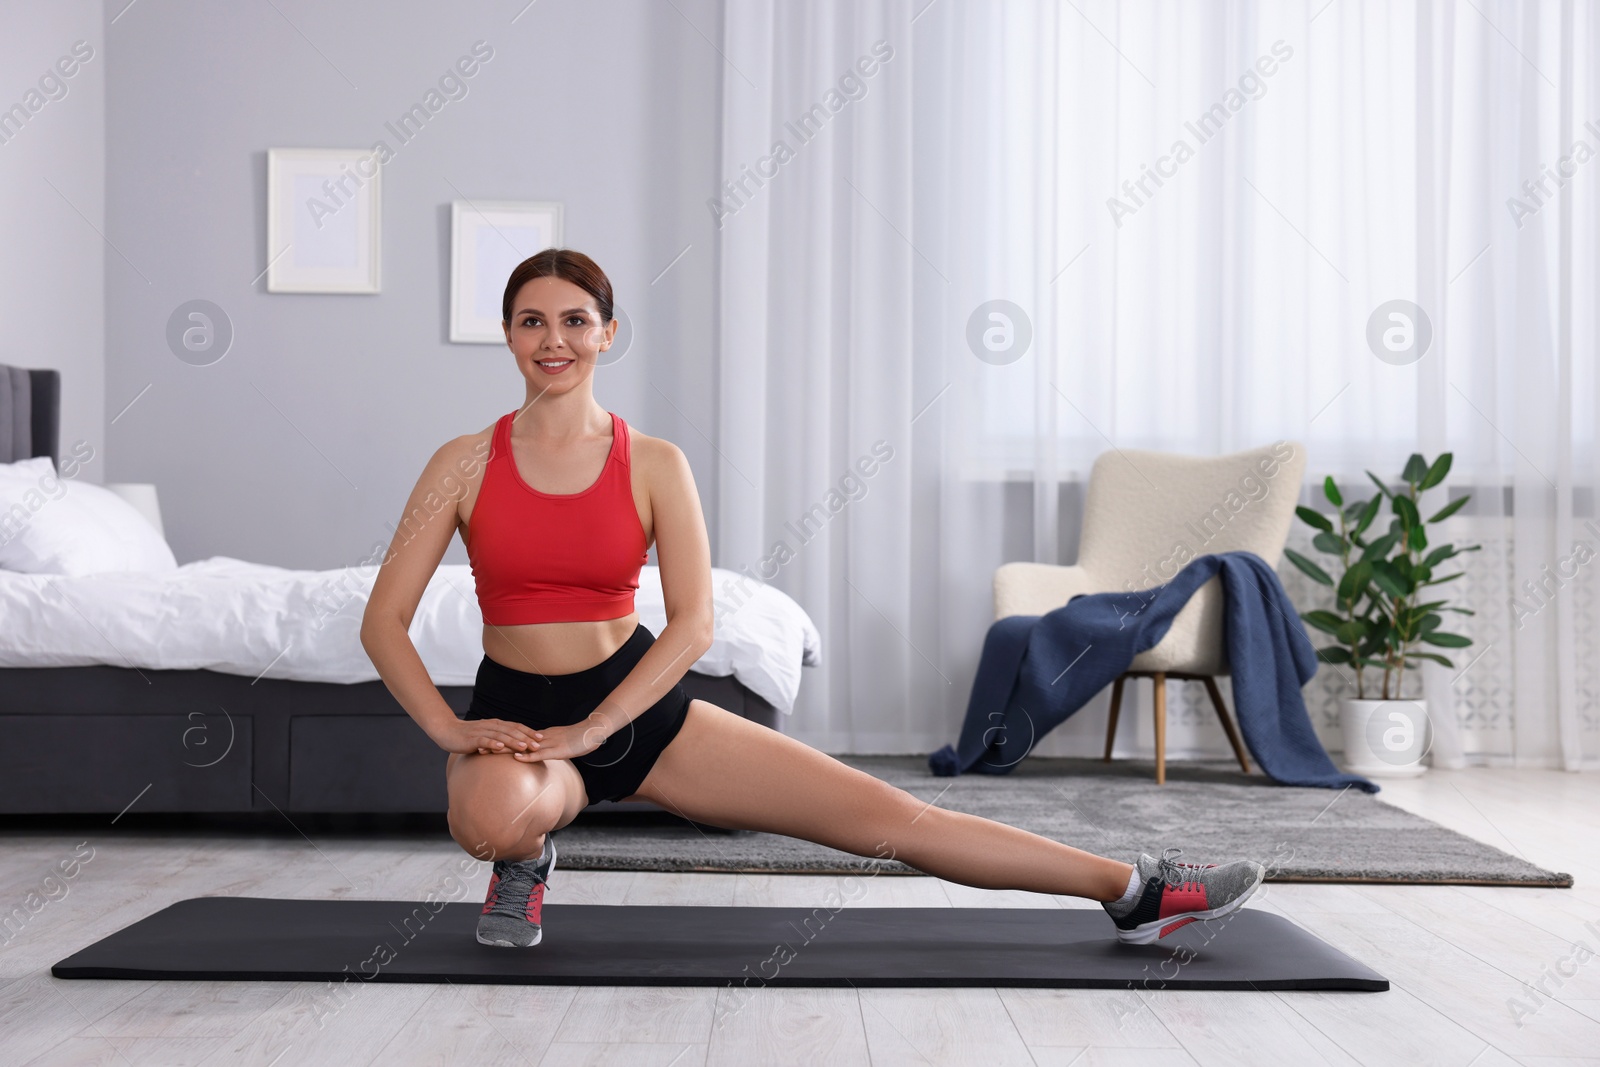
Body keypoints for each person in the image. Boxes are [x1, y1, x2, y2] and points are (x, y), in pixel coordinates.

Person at [359, 248, 1266, 950]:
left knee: (892, 821)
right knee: (489, 817)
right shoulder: (463, 462)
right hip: (518, 719)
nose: (552, 338)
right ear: (508, 334)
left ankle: (1135, 886)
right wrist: (450, 728)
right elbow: (384, 620)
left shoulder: (656, 464)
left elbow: (693, 623)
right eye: (530, 320)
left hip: (638, 708)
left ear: (607, 332)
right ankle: (526, 856)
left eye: (574, 319)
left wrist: (597, 729)